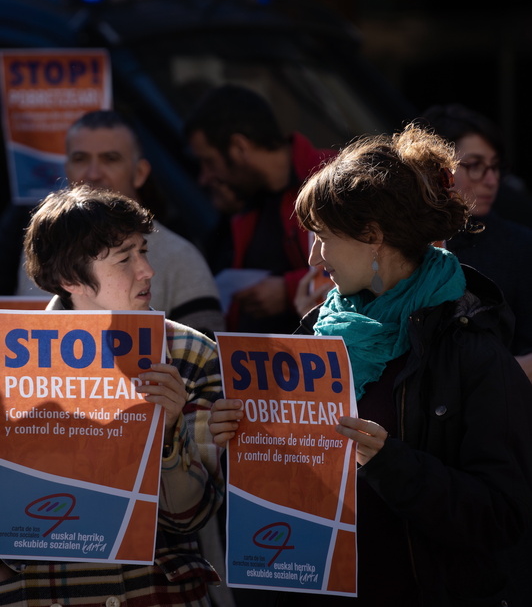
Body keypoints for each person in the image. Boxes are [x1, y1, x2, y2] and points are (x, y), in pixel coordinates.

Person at [208, 124, 532, 607]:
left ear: (373, 236)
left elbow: (501, 516)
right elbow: (284, 487)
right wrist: (238, 440)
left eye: (324, 238)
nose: (315, 257)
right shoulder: (316, 332)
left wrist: (389, 462)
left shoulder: (472, 350)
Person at [0, 184, 223, 606]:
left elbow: (192, 515)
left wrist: (170, 430)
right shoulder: (7, 358)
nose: (147, 271)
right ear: (70, 280)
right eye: (125, 258)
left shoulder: (190, 354)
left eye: (144, 251)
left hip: (151, 594)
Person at [15, 109, 224, 339]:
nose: (93, 174)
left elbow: (207, 365)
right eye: (80, 159)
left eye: (110, 159)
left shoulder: (181, 257)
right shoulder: (41, 249)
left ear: (140, 173)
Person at [184, 85, 335, 334]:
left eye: (209, 161)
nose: (204, 177)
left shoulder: (335, 178)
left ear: (239, 147)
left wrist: (288, 291)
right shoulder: (245, 202)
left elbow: (372, 264)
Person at [421, 103, 532, 377]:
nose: (491, 180)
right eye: (475, 166)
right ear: (435, 170)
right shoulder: (403, 241)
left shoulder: (519, 245)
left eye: (495, 167)